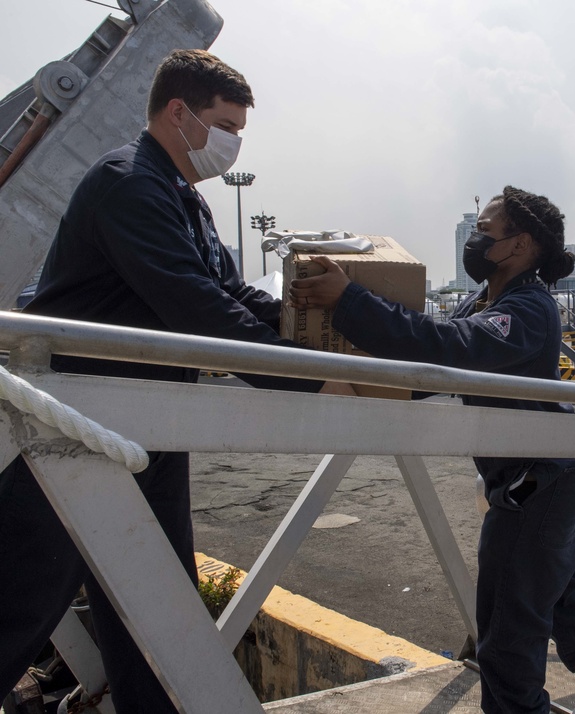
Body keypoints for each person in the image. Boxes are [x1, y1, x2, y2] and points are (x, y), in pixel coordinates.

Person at [0, 50, 329, 711]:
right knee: (24, 596)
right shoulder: (128, 184)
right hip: (76, 425)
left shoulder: (186, 202)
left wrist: (321, 330)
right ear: (178, 113)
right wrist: (313, 383)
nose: (233, 143)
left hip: (144, 423)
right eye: (226, 124)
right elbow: (196, 308)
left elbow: (234, 294)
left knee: (157, 603)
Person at [289, 186, 575, 713]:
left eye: (485, 229)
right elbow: (422, 374)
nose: (474, 239)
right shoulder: (484, 301)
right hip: (540, 483)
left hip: (540, 488)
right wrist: (337, 374)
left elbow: (448, 348)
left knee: (506, 641)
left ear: (519, 245)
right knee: (574, 619)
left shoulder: (528, 308)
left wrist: (350, 302)